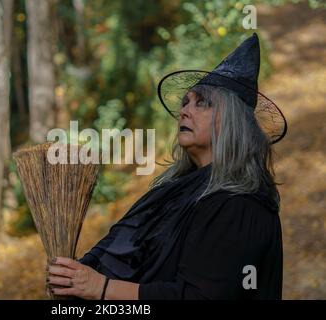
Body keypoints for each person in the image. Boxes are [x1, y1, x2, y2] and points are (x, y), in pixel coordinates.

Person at [45, 33, 287, 300]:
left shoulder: (240, 205)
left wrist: (101, 288)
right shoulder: (172, 195)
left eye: (202, 103)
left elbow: (200, 297)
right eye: (185, 102)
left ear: (232, 122)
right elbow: (128, 260)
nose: (184, 111)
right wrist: (75, 277)